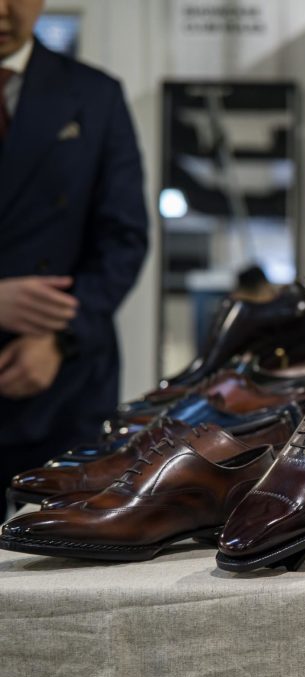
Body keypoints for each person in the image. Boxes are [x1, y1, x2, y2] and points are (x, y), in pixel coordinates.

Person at [0, 0, 148, 506]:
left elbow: (123, 238)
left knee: (61, 567)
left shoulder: (94, 96)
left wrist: (58, 338)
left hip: (66, 382)